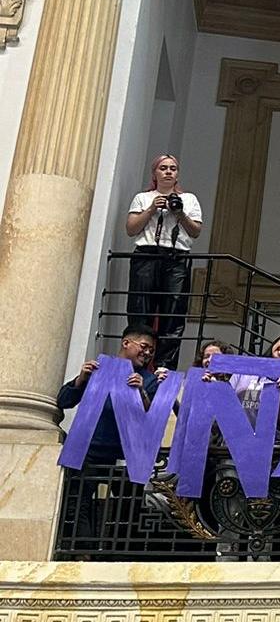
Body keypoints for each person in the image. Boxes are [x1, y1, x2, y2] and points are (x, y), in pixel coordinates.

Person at [125, 155, 203, 369]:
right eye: (163, 168)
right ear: (155, 173)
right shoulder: (143, 197)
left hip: (177, 258)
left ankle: (164, 368)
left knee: (173, 314)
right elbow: (131, 229)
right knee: (140, 311)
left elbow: (195, 231)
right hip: (146, 256)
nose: (168, 172)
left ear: (177, 174)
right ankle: (134, 364)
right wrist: (151, 209)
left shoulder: (189, 199)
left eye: (173, 168)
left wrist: (179, 213)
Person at [56, 324, 161, 467]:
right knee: (77, 489)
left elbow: (152, 419)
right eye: (144, 346)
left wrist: (141, 392)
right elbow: (63, 401)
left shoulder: (149, 381)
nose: (148, 353)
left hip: (126, 455)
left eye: (151, 350)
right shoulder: (99, 370)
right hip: (87, 451)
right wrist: (80, 380)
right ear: (126, 343)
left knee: (128, 490)